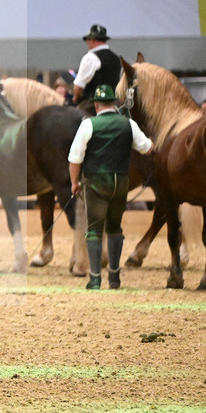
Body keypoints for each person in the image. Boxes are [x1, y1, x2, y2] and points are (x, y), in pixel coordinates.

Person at [68, 84, 152, 290]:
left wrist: (74, 183)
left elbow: (74, 159)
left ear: (96, 105)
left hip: (96, 183)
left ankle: (95, 279)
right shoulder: (128, 124)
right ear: (113, 103)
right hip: (121, 183)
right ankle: (114, 278)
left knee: (94, 230)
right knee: (115, 228)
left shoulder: (88, 125)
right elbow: (147, 148)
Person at [72, 24, 121, 114]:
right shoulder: (116, 58)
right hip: (114, 104)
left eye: (87, 40)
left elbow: (78, 87)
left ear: (92, 40)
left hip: (93, 105)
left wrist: (76, 98)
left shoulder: (90, 57)